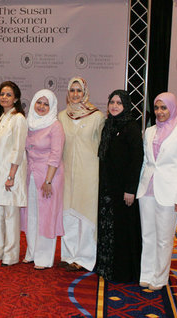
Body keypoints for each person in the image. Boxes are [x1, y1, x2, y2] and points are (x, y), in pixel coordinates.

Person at [136, 92, 177, 290]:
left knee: (164, 239)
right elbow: (145, 162)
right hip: (147, 190)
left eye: (164, 108)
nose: (160, 112)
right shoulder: (149, 131)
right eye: (157, 108)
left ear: (173, 108)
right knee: (148, 235)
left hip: (169, 193)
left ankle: (159, 278)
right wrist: (139, 189)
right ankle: (146, 273)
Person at [95, 90, 143, 282]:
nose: (114, 106)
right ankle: (106, 267)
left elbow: (136, 161)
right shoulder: (108, 125)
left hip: (124, 190)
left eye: (119, 103)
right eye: (112, 102)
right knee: (107, 228)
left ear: (126, 106)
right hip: (108, 188)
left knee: (123, 231)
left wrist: (130, 189)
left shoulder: (131, 127)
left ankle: (123, 272)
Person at [58, 77, 105, 271]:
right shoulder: (61, 116)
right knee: (68, 214)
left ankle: (85, 258)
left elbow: (103, 148)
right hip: (67, 172)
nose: (75, 94)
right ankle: (68, 255)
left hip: (89, 173)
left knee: (86, 215)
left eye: (79, 90)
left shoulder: (97, 116)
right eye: (72, 91)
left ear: (85, 92)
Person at [0, 81, 27, 266]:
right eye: (2, 94)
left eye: (8, 94)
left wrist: (11, 175)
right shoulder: (1, 117)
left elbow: (18, 149)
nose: (4, 97)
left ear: (16, 98)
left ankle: (10, 254)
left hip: (9, 175)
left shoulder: (18, 119)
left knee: (10, 215)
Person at [20, 89, 65, 270]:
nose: (41, 107)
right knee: (31, 214)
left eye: (46, 104)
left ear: (52, 106)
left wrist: (48, 181)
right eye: (39, 102)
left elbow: (56, 154)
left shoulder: (55, 126)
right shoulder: (29, 123)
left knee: (46, 216)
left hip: (49, 177)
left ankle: (44, 257)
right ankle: (31, 251)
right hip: (31, 175)